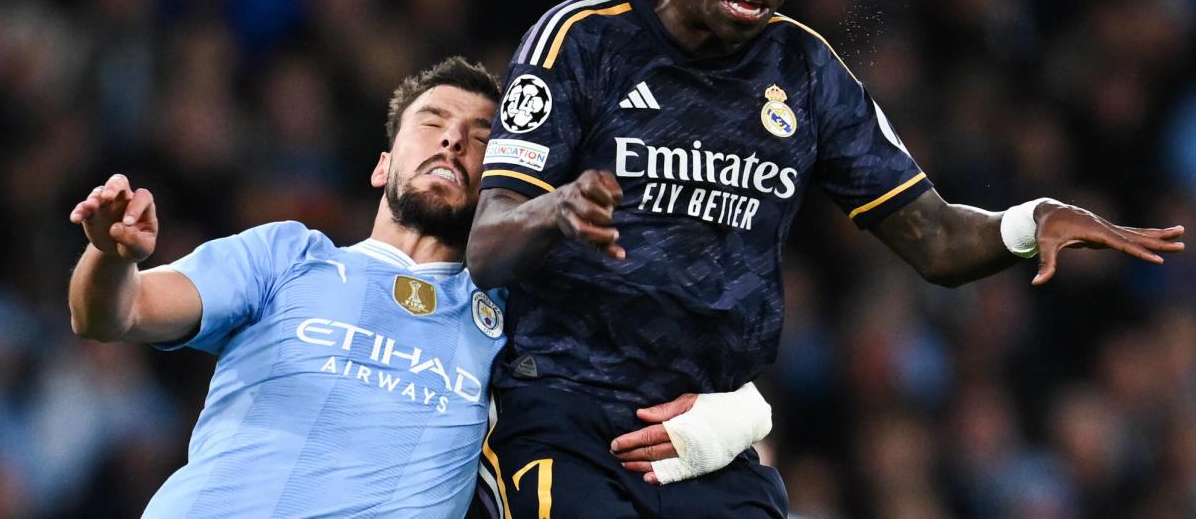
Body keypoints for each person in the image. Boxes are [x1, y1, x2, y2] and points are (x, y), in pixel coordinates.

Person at [465, 0, 1186, 518]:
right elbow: (488, 243)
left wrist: (1032, 220)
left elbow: (934, 239)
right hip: (564, 415)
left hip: (706, 435)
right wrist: (556, 209)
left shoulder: (806, 71)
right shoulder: (581, 40)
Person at [68, 56, 766, 518]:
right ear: (382, 165)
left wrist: (732, 418)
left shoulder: (518, 313)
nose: (453, 141)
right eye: (431, 123)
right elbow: (115, 313)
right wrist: (107, 255)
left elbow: (711, 395)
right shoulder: (287, 255)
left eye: (480, 136)